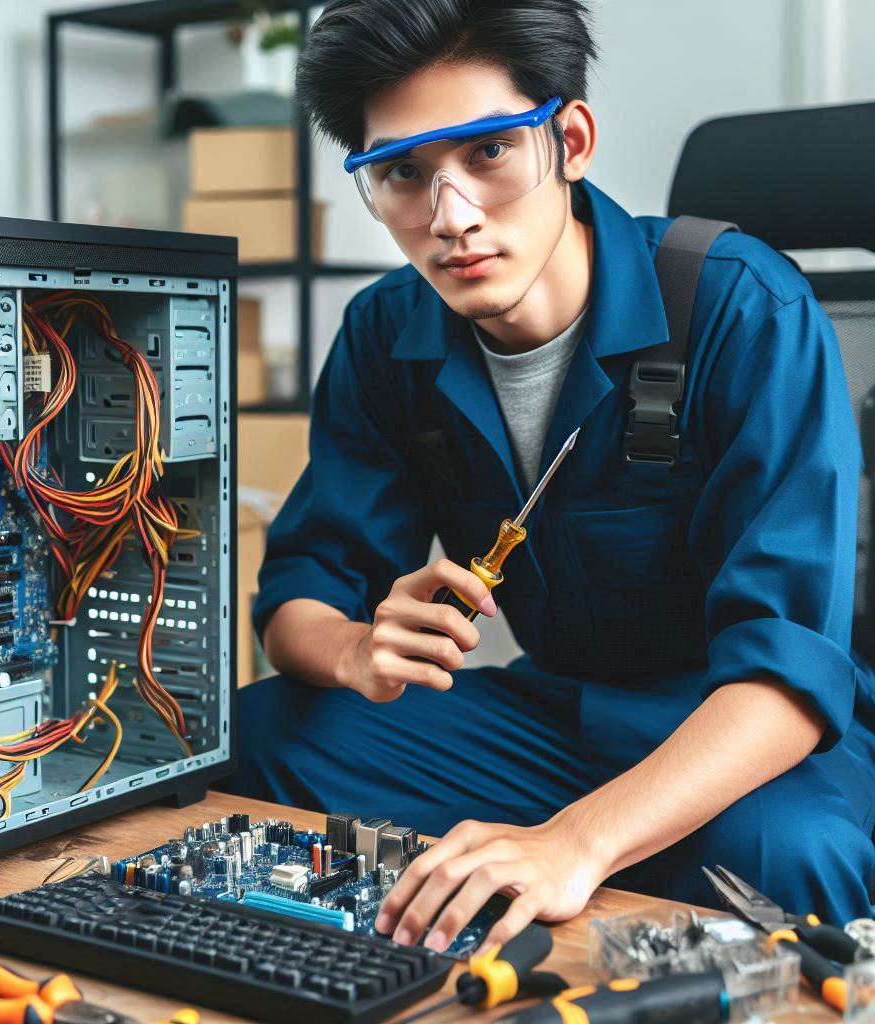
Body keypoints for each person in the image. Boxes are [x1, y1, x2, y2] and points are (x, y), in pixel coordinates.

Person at [217, 0, 875, 948]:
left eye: (487, 153)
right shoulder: (381, 336)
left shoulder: (743, 305)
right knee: (263, 738)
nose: (452, 219)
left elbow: (786, 679)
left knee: (782, 854)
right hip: (556, 718)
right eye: (403, 173)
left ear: (569, 139)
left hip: (744, 733)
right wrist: (356, 650)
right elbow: (299, 600)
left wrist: (575, 844)